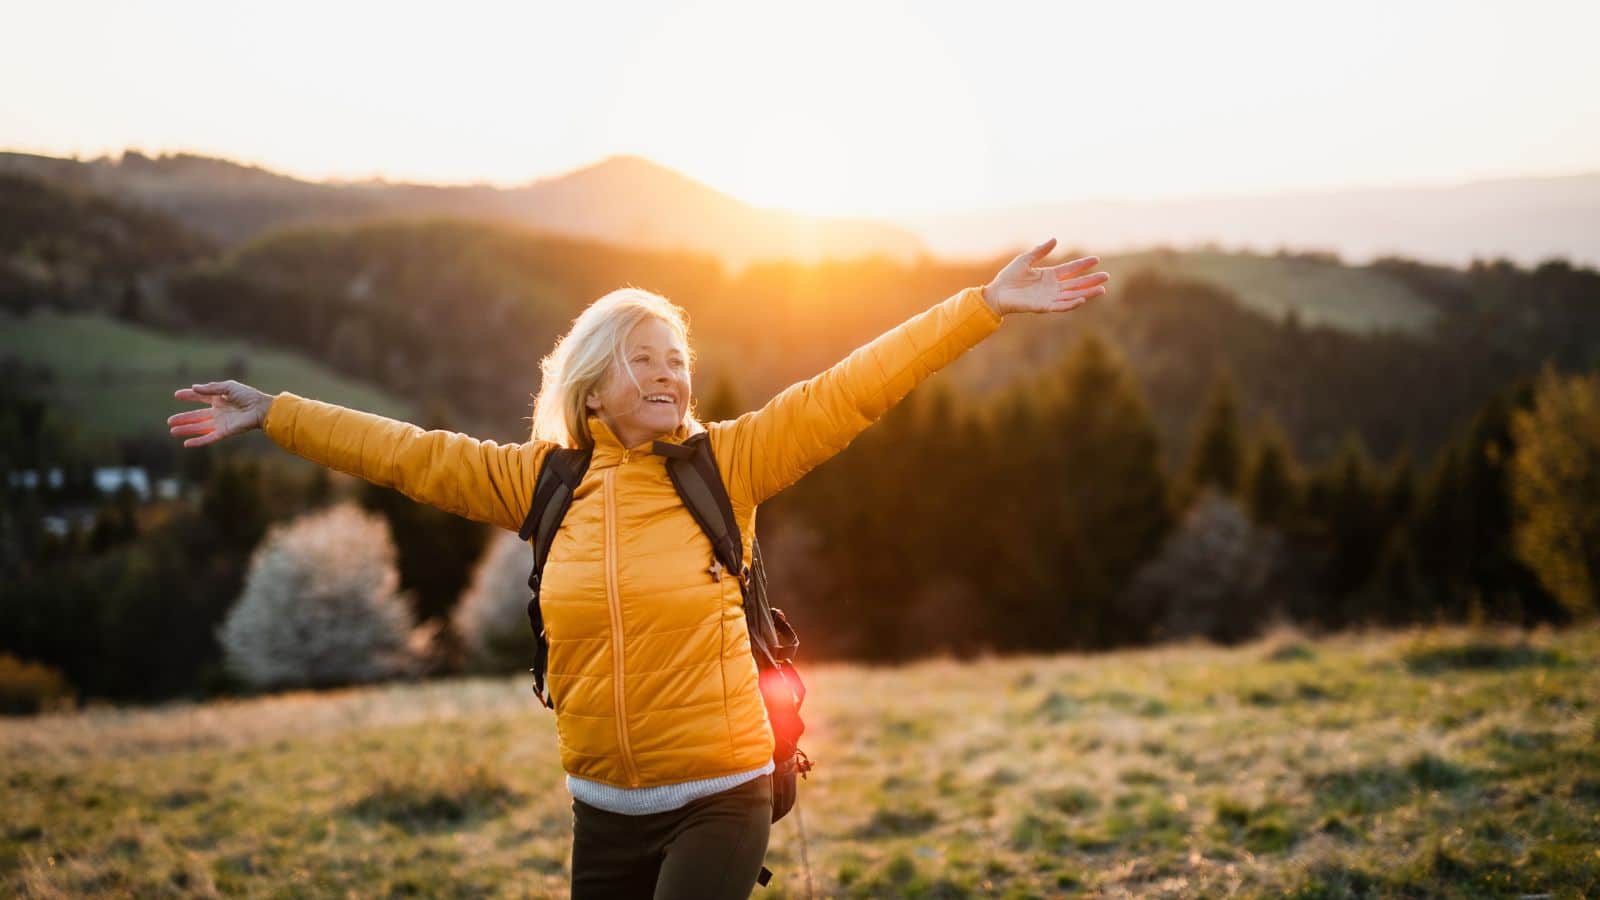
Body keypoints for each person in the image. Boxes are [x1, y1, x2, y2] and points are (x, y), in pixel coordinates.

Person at [167, 238, 1108, 898]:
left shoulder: (729, 465)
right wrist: (273, 412)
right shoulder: (539, 484)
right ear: (592, 384)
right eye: (644, 360)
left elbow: (854, 387)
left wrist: (980, 306)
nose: (670, 376)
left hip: (723, 792)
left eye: (678, 360)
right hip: (601, 806)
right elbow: (404, 453)